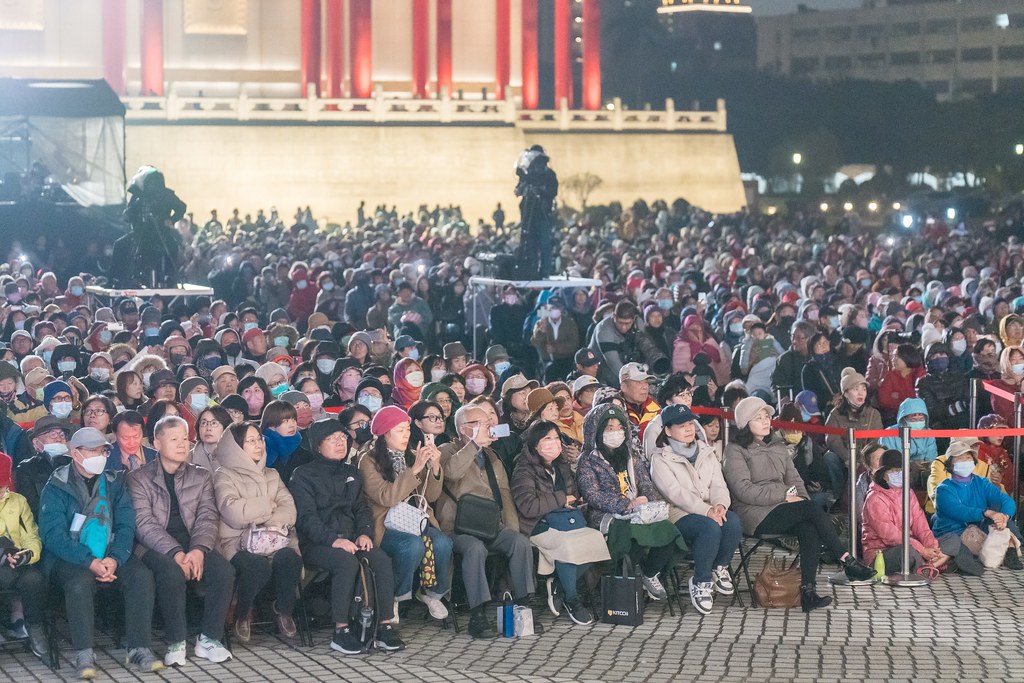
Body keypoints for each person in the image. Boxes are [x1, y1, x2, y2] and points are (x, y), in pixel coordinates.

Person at [722, 397, 875, 612]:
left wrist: (801, 499)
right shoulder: (735, 450)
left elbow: (795, 480)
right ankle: (846, 560)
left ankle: (808, 592)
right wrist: (784, 496)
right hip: (753, 513)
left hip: (784, 507)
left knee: (809, 525)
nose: (766, 421)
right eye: (759, 418)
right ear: (745, 423)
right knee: (811, 509)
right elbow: (744, 491)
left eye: (767, 416)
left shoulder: (777, 446)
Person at [38, 427, 163, 678]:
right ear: (75, 453)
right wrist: (89, 561)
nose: (101, 455)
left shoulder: (115, 482)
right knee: (79, 583)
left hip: (110, 551)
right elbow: (53, 536)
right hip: (70, 557)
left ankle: (139, 647)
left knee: (141, 576)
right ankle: (84, 652)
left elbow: (126, 524)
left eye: (103, 450)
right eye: (93, 450)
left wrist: (115, 558)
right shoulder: (57, 485)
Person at [289, 419, 406, 654]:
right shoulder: (302, 475)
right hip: (317, 543)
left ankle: (384, 625)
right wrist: (333, 540)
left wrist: (364, 533)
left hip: (352, 538)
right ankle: (340, 630)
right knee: (345, 562)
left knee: (381, 559)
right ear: (318, 446)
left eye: (343, 438)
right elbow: (306, 518)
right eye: (332, 439)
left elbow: (361, 508)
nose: (340, 443)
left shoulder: (351, 472)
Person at [127, 416, 235, 666]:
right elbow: (144, 525)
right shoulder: (138, 478)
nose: (181, 444)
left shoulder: (201, 476)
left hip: (193, 543)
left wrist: (197, 550)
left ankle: (209, 638)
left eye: (184, 439)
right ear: (156, 442)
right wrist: (176, 553)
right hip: (154, 547)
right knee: (171, 573)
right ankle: (176, 641)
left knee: (224, 571)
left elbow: (208, 516)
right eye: (173, 439)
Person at [436, 405, 536, 639]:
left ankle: (523, 608)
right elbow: (451, 473)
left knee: (519, 543)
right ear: (463, 429)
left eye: (489, 423)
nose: (488, 428)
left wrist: (512, 529)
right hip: (457, 527)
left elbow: (505, 495)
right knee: (474, 548)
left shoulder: (491, 456)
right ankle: (477, 615)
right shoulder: (447, 450)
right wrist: (474, 445)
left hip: (490, 524)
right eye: (480, 424)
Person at [575, 404, 682, 602]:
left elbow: (645, 484)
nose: (616, 432)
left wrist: (646, 500)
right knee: (634, 534)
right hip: (606, 514)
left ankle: (650, 573)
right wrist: (625, 504)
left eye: (620, 427)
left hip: (639, 510)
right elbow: (592, 494)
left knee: (668, 530)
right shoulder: (588, 460)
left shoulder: (630, 455)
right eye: (609, 428)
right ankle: (625, 578)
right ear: (598, 432)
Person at [356, 406, 452, 621]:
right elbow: (386, 497)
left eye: (407, 429)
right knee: (411, 545)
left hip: (415, 518)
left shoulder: (410, 456)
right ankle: (394, 597)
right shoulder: (367, 460)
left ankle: (431, 594)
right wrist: (415, 469)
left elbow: (432, 496)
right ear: (384, 433)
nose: (406, 434)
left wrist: (434, 467)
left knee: (443, 543)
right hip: (386, 522)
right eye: (400, 430)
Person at [512, 421, 610, 625]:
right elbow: (527, 506)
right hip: (537, 525)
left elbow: (572, 493)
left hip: (565, 519)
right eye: (547, 438)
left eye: (556, 438)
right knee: (568, 545)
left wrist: (575, 499)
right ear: (534, 444)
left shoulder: (561, 465)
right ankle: (572, 598)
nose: (554, 443)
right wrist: (560, 499)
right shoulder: (523, 469)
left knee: (596, 538)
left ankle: (558, 584)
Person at [213, 423, 303, 642]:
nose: (258, 445)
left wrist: (263, 517)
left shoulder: (272, 474)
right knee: (257, 566)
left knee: (290, 559)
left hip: (276, 539)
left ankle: (283, 610)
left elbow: (289, 509)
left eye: (259, 439)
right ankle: (242, 614)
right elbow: (233, 511)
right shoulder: (224, 475)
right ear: (236, 447)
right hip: (237, 542)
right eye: (250, 441)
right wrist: (267, 505)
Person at [650, 405, 740, 615]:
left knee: (733, 521)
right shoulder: (661, 458)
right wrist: (706, 511)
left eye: (690, 424)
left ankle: (720, 567)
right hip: (677, 513)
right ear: (668, 431)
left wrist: (719, 505)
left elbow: (718, 483)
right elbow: (675, 494)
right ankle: (701, 582)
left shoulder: (706, 451)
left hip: (709, 508)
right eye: (682, 426)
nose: (689, 429)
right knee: (709, 528)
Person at [932, 440, 1023, 572]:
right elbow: (959, 511)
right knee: (984, 540)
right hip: (954, 532)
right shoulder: (944, 489)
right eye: (959, 458)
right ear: (950, 464)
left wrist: (1004, 516)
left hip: (979, 527)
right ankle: (1008, 548)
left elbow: (1005, 500)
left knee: (1005, 523)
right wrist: (987, 512)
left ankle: (1008, 551)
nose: (965, 461)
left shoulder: (982, 482)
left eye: (968, 457)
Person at [862, 449, 950, 575]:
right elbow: (891, 537)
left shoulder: (908, 493)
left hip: (913, 546)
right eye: (893, 471)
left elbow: (921, 525)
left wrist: (931, 546)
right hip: (882, 553)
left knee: (952, 539)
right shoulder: (875, 499)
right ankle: (937, 563)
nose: (898, 473)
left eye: (901, 470)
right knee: (906, 552)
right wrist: (922, 550)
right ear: (883, 474)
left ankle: (930, 564)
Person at [0, 453, 47, 657]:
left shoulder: (18, 501)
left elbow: (32, 535)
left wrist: (28, 554)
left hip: (16, 560)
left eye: (3, 487)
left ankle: (34, 626)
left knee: (34, 579)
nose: (1, 492)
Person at [823, 368, 882, 500]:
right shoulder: (835, 414)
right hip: (843, 456)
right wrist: (847, 458)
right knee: (830, 457)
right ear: (845, 393)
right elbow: (832, 440)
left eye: (864, 389)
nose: (861, 393)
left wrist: (862, 460)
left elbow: (875, 442)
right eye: (856, 389)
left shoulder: (873, 414)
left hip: (865, 457)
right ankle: (840, 499)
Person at [13, 415, 73, 516]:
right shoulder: (26, 468)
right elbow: (32, 506)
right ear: (36, 443)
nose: (58, 438)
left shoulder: (73, 464)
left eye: (62, 435)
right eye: (52, 434)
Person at [261, 399, 314, 484]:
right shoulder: (260, 449)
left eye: (293, 419)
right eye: (285, 421)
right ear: (271, 425)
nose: (292, 425)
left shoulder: (305, 452)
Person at [189, 405, 231, 471]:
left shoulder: (236, 456)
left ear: (225, 427)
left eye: (214, 423)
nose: (208, 428)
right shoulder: (187, 459)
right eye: (204, 423)